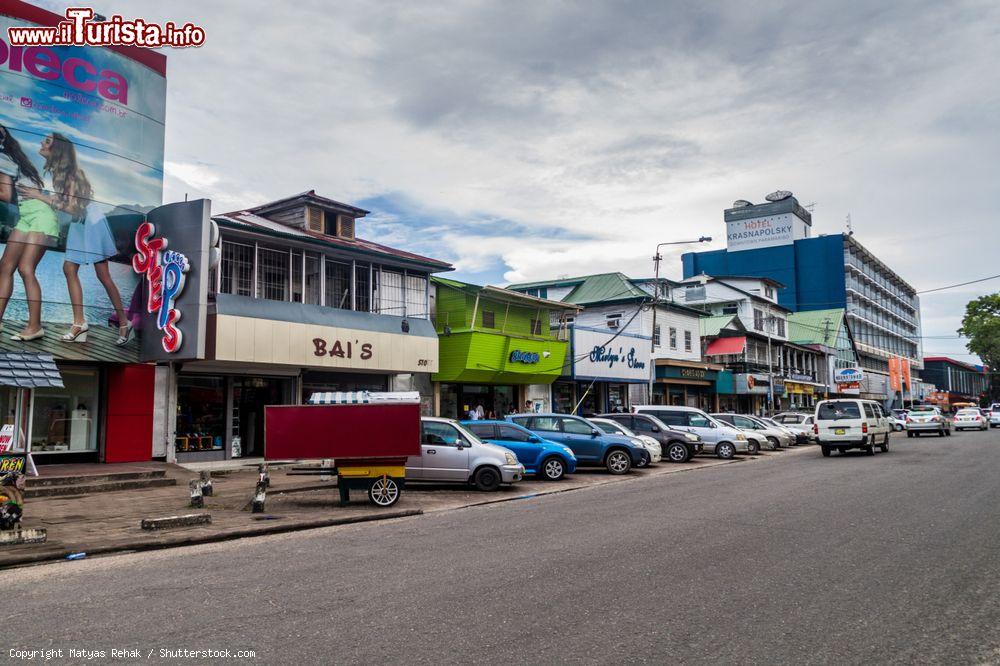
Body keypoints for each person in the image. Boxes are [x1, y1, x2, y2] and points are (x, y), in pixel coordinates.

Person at [36, 134, 130, 345]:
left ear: (57, 150)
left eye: (47, 142)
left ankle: (123, 322)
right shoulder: (59, 173)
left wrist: (44, 198)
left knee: (102, 275)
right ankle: (80, 323)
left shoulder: (72, 174)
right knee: (70, 269)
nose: (42, 143)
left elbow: (73, 207)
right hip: (81, 224)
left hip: (91, 223)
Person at [0, 124, 57, 341]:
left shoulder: (3, 158)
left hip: (40, 215)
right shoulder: (11, 157)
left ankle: (35, 327)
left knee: (25, 268)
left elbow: (5, 194)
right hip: (27, 215)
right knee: (5, 266)